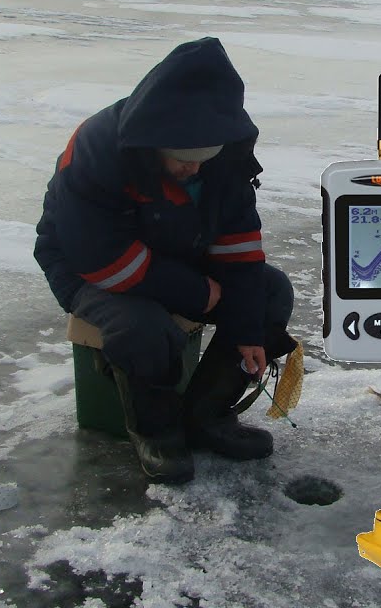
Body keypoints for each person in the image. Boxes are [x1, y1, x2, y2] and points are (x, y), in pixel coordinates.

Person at [33, 37, 298, 484]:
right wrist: (199, 292)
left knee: (268, 293)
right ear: (155, 138)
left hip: (178, 251)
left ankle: (205, 416)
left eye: (204, 158)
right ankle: (155, 431)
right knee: (142, 326)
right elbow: (103, 259)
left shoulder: (225, 156)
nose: (194, 169)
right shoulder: (98, 148)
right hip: (85, 265)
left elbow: (239, 247)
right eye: (183, 159)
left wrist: (248, 328)